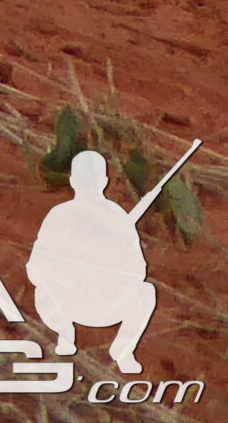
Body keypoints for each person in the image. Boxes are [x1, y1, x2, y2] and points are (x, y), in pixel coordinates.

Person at [28, 150, 162, 372]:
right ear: (73, 181)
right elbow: (36, 266)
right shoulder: (60, 215)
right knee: (43, 291)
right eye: (84, 180)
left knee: (145, 292)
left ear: (104, 182)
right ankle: (64, 336)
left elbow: (138, 270)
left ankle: (123, 351)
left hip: (107, 303)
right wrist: (70, 276)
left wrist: (110, 273)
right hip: (68, 303)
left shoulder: (118, 219)